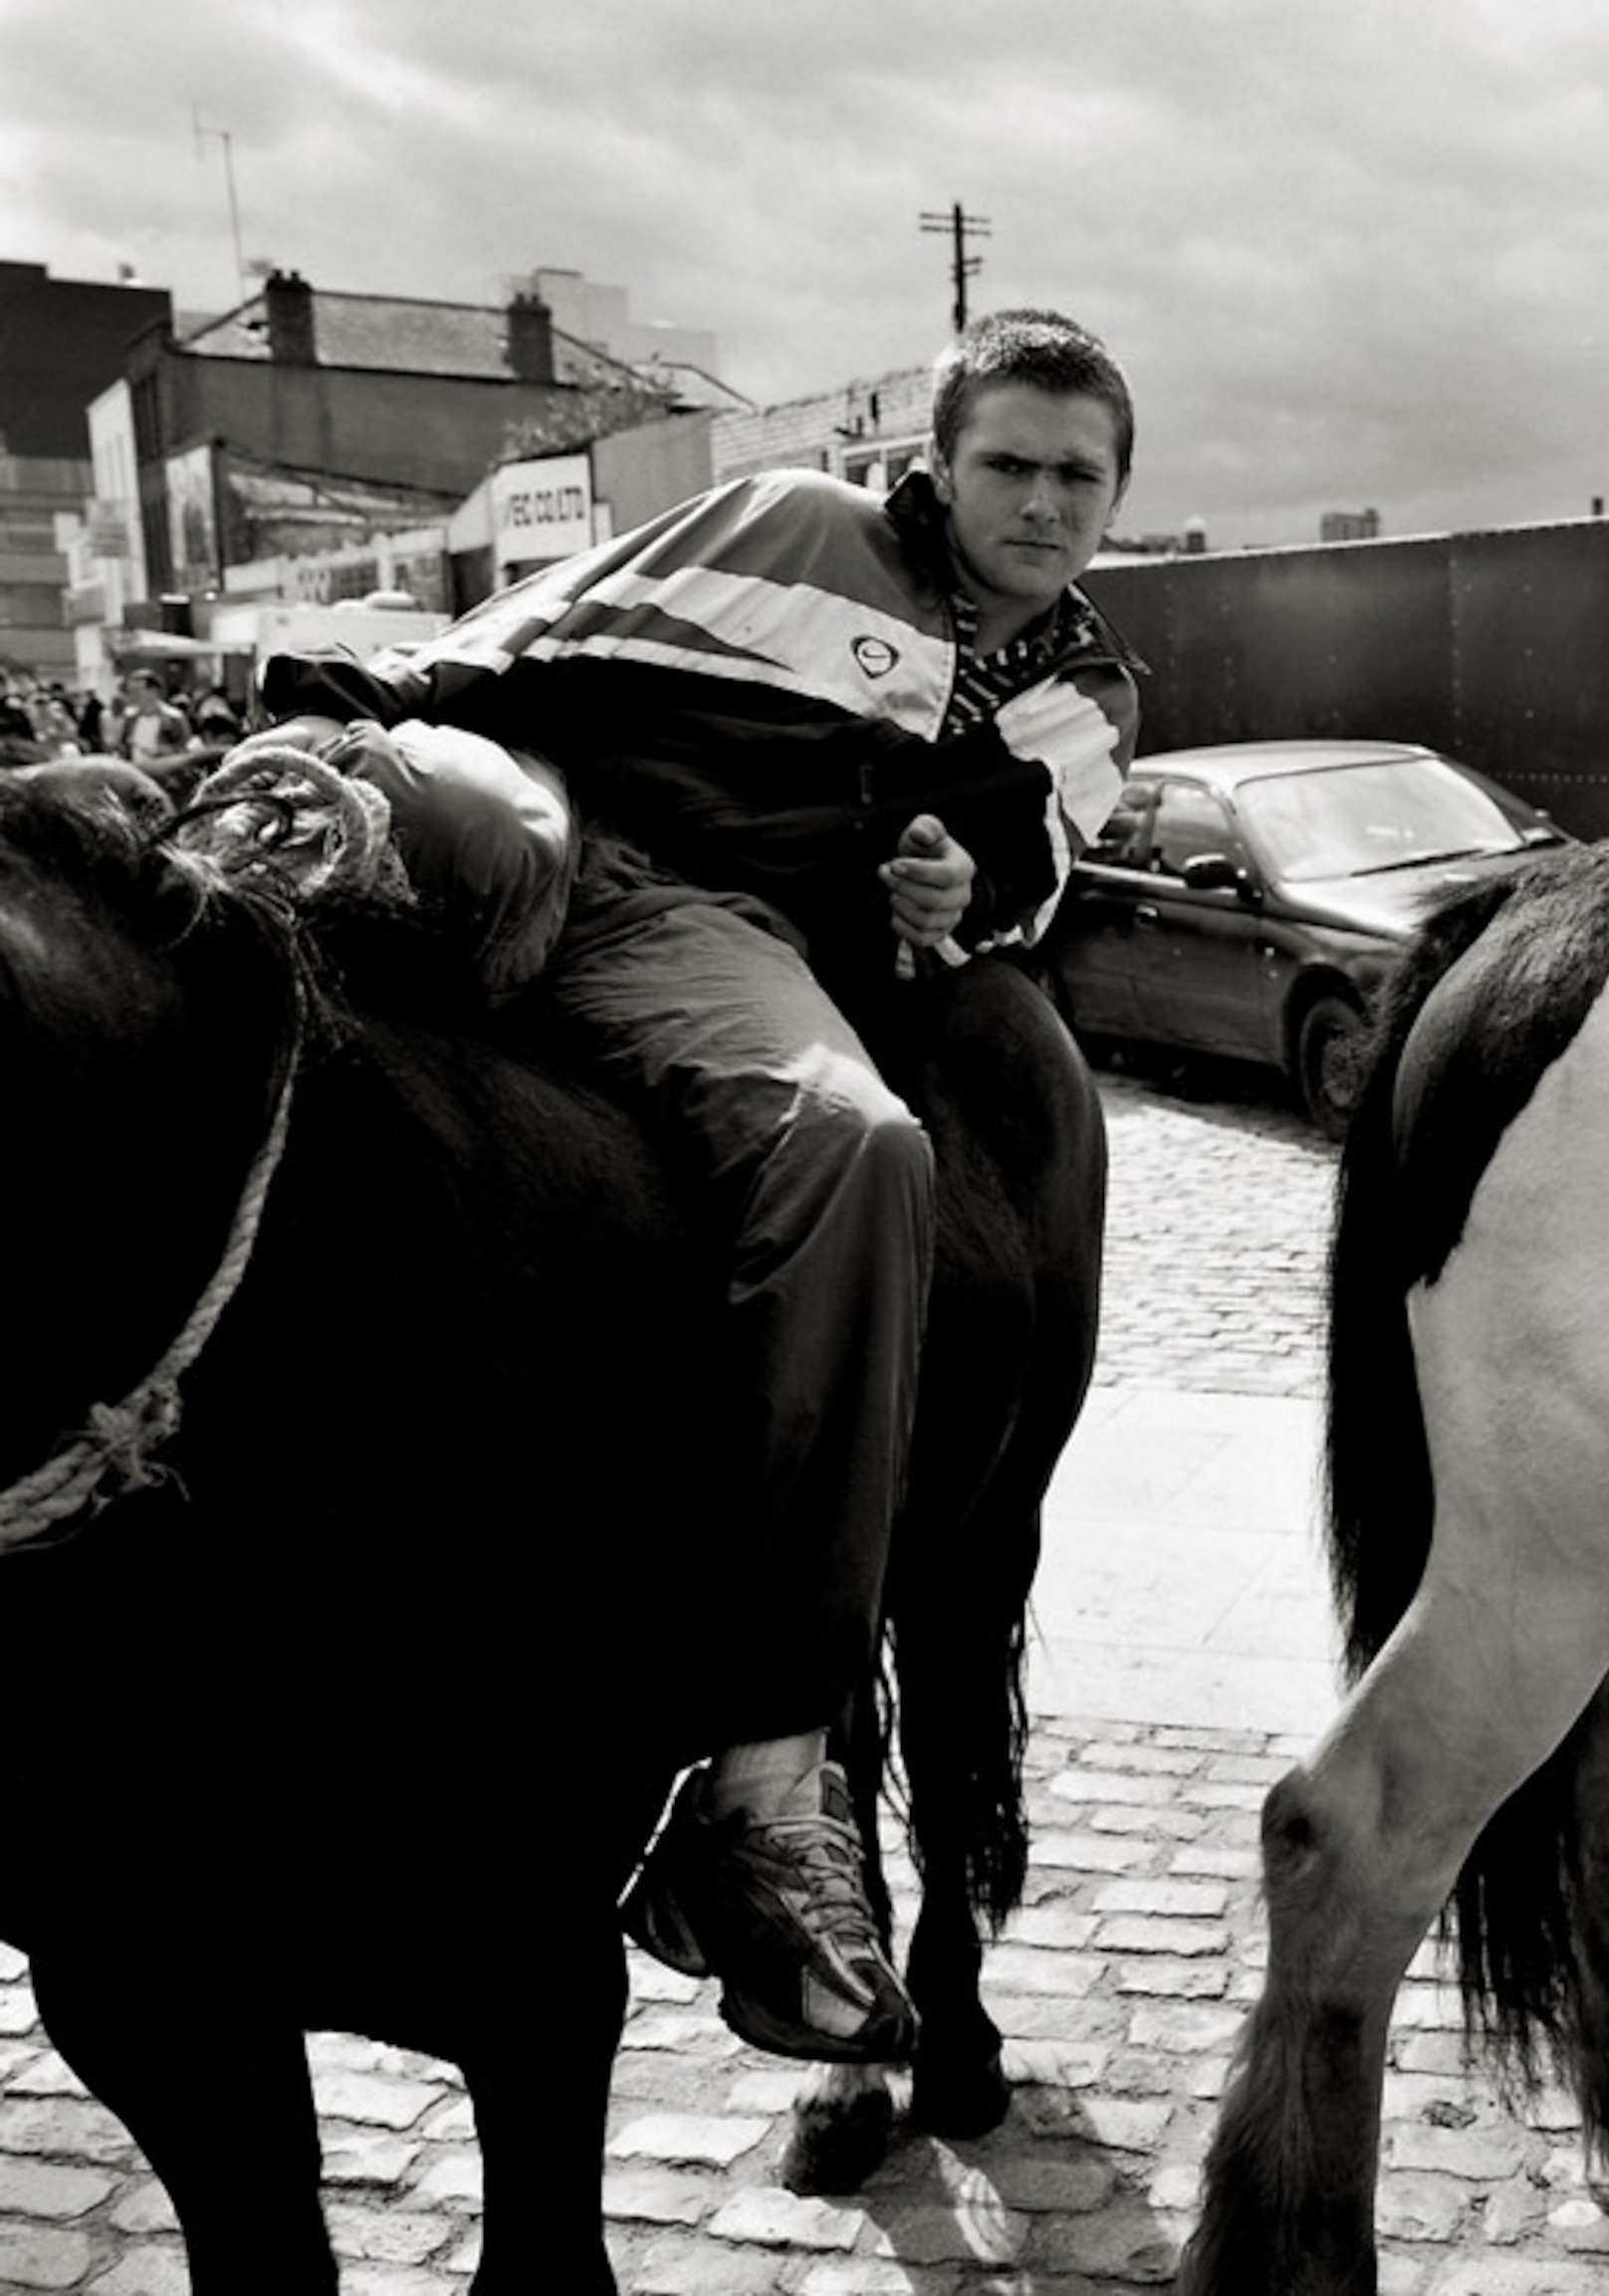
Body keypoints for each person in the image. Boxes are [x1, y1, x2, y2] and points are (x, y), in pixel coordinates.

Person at [258, 307, 1147, 2058]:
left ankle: (758, 1785)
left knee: (860, 1141)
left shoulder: (1088, 694)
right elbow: (511, 643)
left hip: (698, 935)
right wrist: (370, 714)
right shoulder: (797, 526)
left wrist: (943, 886)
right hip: (533, 821)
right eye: (1011, 464)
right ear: (941, 462)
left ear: (1118, 497)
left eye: (1079, 475)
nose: (1043, 502)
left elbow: (1013, 877)